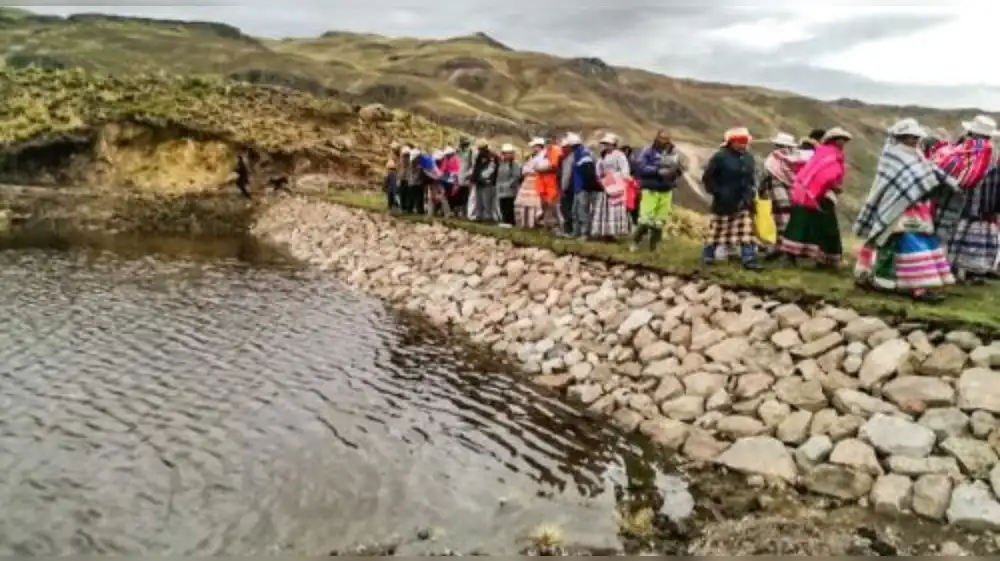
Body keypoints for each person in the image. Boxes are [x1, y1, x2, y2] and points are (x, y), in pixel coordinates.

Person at [854, 118, 960, 302]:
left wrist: (951, 182)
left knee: (915, 243)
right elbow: (889, 183)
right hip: (895, 208)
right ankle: (898, 284)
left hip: (915, 208)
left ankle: (912, 285)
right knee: (901, 243)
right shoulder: (892, 155)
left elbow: (929, 170)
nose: (912, 140)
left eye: (914, 137)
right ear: (899, 137)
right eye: (908, 137)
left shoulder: (916, 154)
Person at [931, 115, 999, 283]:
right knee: (975, 239)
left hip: (964, 200)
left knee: (955, 235)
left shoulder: (969, 150)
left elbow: (961, 173)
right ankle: (972, 272)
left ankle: (951, 269)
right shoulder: (992, 152)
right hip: (986, 205)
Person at [776, 126, 853, 268]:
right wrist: (834, 187)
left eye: (844, 141)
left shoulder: (821, 153)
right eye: (840, 140)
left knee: (801, 225)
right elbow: (828, 175)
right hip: (819, 196)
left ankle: (794, 256)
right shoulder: (831, 155)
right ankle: (828, 260)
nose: (842, 143)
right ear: (833, 140)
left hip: (806, 194)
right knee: (828, 229)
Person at [700, 127, 761, 270]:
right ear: (731, 142)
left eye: (745, 142)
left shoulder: (748, 157)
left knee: (746, 231)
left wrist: (751, 194)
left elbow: (751, 178)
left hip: (744, 201)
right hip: (724, 202)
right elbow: (708, 178)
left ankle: (749, 259)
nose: (743, 145)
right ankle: (708, 255)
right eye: (740, 142)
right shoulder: (720, 157)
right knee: (717, 230)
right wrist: (719, 193)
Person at [630, 130, 685, 252]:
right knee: (645, 219)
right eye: (662, 138)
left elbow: (680, 168)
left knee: (659, 221)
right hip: (651, 188)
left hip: (666, 189)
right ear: (657, 138)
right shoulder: (648, 151)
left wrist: (676, 172)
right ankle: (634, 242)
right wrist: (657, 170)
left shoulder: (674, 152)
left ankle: (654, 248)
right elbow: (641, 168)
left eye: (667, 138)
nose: (664, 140)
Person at [591, 133, 632, 238]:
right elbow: (598, 168)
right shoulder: (603, 155)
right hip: (606, 183)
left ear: (614, 144)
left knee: (614, 207)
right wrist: (600, 176)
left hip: (616, 184)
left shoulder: (619, 155)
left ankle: (614, 232)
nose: (606, 146)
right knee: (605, 207)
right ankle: (604, 231)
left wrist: (619, 177)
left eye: (608, 144)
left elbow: (624, 169)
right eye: (605, 144)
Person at [758, 132, 799, 234]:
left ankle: (780, 238)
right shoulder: (792, 160)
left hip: (776, 190)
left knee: (779, 214)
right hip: (777, 189)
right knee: (782, 214)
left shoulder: (773, 159)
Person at [564, 133, 601, 240]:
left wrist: (588, 186)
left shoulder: (583, 154)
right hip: (577, 187)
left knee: (582, 211)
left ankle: (584, 233)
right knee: (575, 211)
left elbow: (588, 173)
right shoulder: (578, 153)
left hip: (583, 188)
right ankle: (576, 232)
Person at [517, 138, 549, 229]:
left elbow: (539, 168)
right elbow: (525, 169)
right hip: (528, 182)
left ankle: (532, 223)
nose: (533, 148)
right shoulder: (534, 157)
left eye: (534, 146)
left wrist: (531, 170)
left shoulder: (544, 156)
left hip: (536, 181)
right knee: (525, 203)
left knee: (532, 204)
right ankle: (524, 223)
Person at [471, 139, 500, 223]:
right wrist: (474, 179)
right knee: (478, 199)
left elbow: (493, 169)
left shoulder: (492, 156)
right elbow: (476, 168)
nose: (478, 150)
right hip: (479, 181)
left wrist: (490, 180)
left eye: (480, 148)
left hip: (488, 182)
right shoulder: (479, 156)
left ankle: (488, 216)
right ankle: (478, 215)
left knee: (487, 200)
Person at [495, 143, 522, 227]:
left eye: (507, 153)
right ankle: (505, 221)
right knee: (502, 205)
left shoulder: (515, 164)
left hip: (510, 190)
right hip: (501, 189)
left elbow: (516, 176)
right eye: (504, 153)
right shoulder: (501, 163)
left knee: (509, 206)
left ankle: (510, 222)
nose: (505, 155)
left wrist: (508, 185)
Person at [558, 137, 577, 236]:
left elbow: (567, 174)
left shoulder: (569, 158)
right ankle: (569, 229)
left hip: (569, 187)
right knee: (566, 208)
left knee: (566, 208)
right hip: (571, 186)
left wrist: (563, 188)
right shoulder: (569, 157)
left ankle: (569, 229)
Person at [456, 137, 475, 218]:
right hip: (458, 177)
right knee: (459, 196)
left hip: (467, 178)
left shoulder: (471, 152)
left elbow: (473, 165)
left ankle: (466, 213)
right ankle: (460, 212)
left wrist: (468, 174)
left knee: (466, 196)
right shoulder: (458, 152)